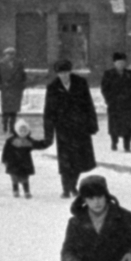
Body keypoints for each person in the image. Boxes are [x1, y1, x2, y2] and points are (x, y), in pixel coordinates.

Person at [42, 59, 98, 198]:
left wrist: (92, 124)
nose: (64, 75)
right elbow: (48, 111)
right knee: (66, 160)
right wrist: (49, 133)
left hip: (80, 127)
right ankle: (66, 188)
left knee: (79, 159)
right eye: (61, 73)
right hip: (63, 129)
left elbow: (88, 104)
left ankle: (73, 185)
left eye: (66, 72)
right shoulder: (53, 87)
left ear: (70, 71)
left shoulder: (80, 83)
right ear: (57, 74)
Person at [100, 52, 131, 153]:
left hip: (127, 104)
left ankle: (127, 144)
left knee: (128, 124)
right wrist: (109, 100)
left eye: (122, 62)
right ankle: (114, 141)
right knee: (114, 124)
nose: (121, 65)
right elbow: (104, 88)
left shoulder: (130, 74)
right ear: (114, 63)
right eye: (118, 63)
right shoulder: (108, 74)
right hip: (114, 104)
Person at [0, 118, 45, 199]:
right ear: (17, 130)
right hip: (13, 162)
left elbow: (37, 145)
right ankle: (15, 190)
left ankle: (27, 191)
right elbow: (6, 151)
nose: (23, 132)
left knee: (25, 178)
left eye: (25, 130)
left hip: (25, 163)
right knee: (14, 178)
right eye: (21, 130)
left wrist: (45, 143)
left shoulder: (29, 141)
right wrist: (4, 159)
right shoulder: (11, 141)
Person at [0, 46, 28, 134]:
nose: (10, 56)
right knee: (5, 109)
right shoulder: (0, 64)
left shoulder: (19, 64)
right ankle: (5, 124)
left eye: (12, 54)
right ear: (5, 55)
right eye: (8, 54)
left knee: (14, 110)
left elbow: (23, 75)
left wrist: (22, 85)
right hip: (6, 89)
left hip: (16, 89)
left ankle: (12, 127)